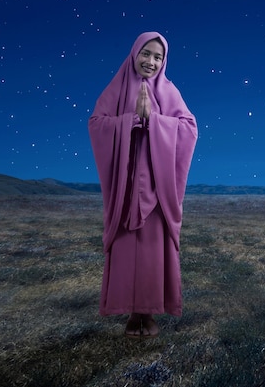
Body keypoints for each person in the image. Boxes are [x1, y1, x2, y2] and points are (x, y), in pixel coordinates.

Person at [88, 32, 198, 338]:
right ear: (134, 53)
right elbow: (97, 123)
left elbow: (189, 128)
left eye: (158, 57)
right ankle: (130, 313)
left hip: (157, 190)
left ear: (164, 62)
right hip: (125, 189)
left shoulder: (169, 90)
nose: (151, 61)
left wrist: (156, 122)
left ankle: (147, 313)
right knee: (127, 250)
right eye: (146, 54)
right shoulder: (117, 87)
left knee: (152, 253)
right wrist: (129, 122)